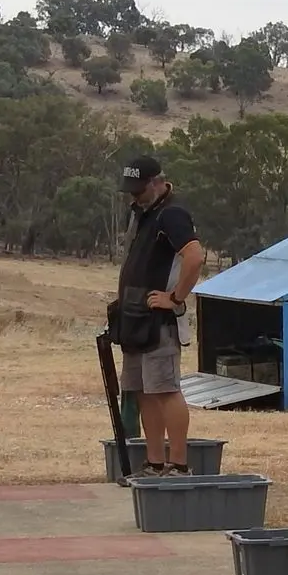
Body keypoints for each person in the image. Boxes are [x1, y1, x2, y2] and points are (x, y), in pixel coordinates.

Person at [110, 156, 204, 477]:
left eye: (138, 189)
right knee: (142, 392)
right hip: (135, 319)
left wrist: (175, 298)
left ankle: (179, 464)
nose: (134, 196)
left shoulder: (172, 213)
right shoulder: (142, 214)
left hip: (159, 322)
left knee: (165, 390)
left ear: (155, 182)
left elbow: (194, 256)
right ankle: (153, 462)